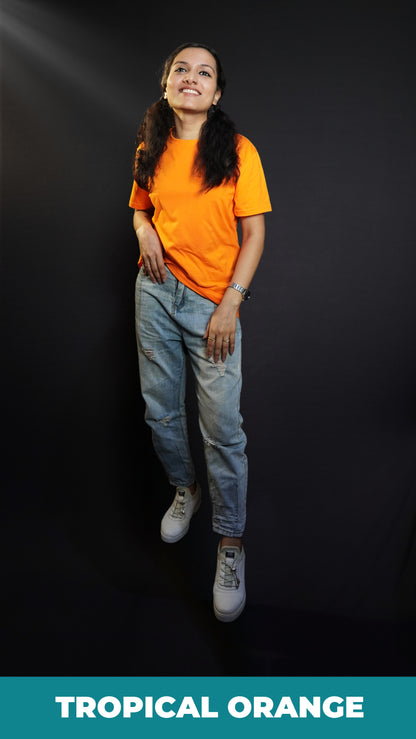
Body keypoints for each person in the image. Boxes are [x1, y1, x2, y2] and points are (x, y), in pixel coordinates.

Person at [129, 42, 271, 622]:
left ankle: (230, 543)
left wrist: (230, 304)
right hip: (155, 292)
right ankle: (185, 490)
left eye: (204, 72)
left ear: (215, 95)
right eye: (180, 70)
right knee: (160, 410)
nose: (191, 78)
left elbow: (255, 235)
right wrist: (142, 231)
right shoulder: (149, 148)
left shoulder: (238, 152)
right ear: (167, 86)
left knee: (222, 430)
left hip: (215, 304)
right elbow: (142, 210)